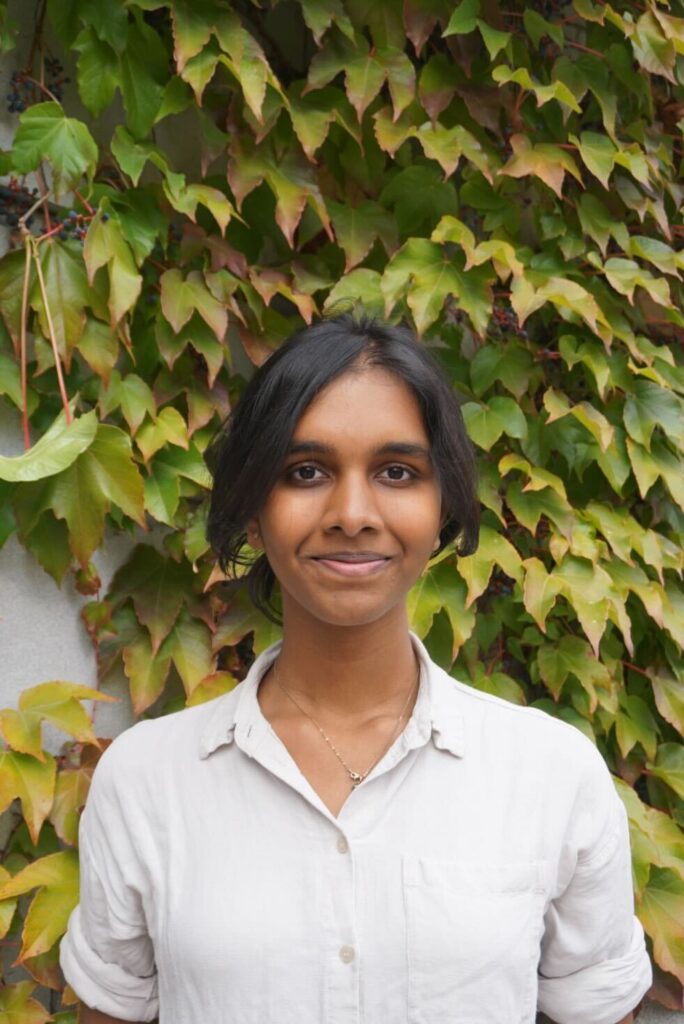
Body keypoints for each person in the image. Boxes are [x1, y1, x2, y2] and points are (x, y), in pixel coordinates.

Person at [60, 313, 652, 1024]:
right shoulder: (146, 781)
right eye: (305, 472)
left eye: (396, 472)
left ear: (442, 506)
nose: (352, 513)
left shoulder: (551, 774)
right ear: (253, 510)